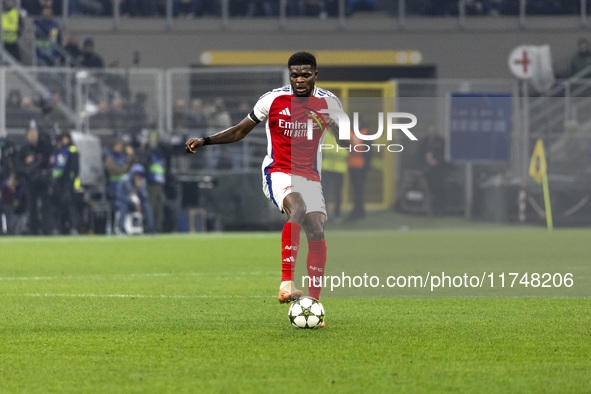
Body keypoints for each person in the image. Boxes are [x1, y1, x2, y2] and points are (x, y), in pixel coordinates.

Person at [186, 52, 346, 311]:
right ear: (289, 75)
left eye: (306, 74)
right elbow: (239, 131)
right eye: (295, 75)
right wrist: (205, 140)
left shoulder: (329, 103)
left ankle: (314, 302)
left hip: (310, 175)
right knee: (299, 208)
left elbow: (345, 141)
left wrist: (341, 130)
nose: (300, 80)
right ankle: (286, 283)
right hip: (278, 171)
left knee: (316, 228)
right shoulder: (272, 99)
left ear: (315, 75)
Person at [18, 121, 54, 234]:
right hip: (30, 181)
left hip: (43, 181)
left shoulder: (44, 147)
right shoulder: (24, 149)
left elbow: (50, 159)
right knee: (32, 206)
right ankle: (33, 229)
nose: (32, 136)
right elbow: (19, 165)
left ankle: (47, 229)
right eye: (30, 134)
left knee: (45, 205)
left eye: (34, 133)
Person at [51, 132, 80, 234]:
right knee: (60, 206)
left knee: (70, 205)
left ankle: (72, 227)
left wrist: (72, 183)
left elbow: (75, 168)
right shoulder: (59, 151)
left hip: (68, 182)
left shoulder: (71, 150)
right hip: (60, 182)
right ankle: (59, 227)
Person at [115, 164, 156, 234]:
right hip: (125, 202)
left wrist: (140, 189)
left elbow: (145, 197)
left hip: (138, 204)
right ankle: (121, 229)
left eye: (139, 175)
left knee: (147, 206)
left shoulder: (142, 182)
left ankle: (151, 229)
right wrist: (132, 202)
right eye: (136, 175)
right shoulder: (124, 181)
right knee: (123, 207)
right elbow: (119, 195)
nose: (137, 177)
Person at [419, 124, 447, 216]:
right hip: (427, 170)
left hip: (439, 170)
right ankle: (427, 208)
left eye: (433, 131)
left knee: (439, 189)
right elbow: (419, 155)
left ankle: (439, 209)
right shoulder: (424, 142)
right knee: (428, 189)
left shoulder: (441, 142)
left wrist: (437, 161)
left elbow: (444, 155)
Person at [321, 131, 347, 222]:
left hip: (339, 169)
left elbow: (345, 151)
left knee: (337, 194)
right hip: (327, 168)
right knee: (325, 192)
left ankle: (337, 214)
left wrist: (332, 152)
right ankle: (324, 213)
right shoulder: (326, 135)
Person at [347, 123, 372, 221]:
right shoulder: (361, 133)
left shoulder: (363, 133)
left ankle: (358, 211)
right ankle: (360, 210)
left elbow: (369, 150)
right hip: (355, 165)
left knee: (358, 190)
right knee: (358, 190)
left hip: (359, 166)